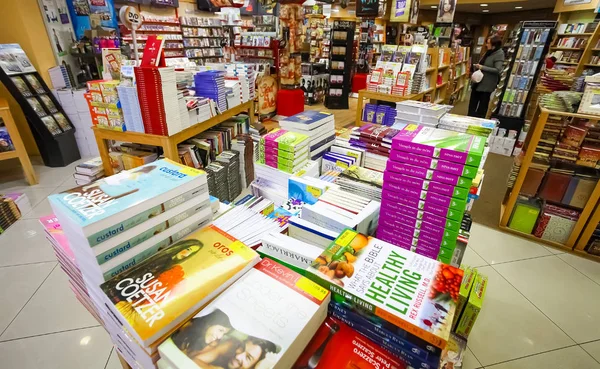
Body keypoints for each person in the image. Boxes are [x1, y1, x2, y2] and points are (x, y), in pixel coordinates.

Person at [468, 36, 505, 118]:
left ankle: (479, 122)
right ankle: (470, 118)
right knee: (472, 104)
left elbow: (498, 70)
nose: (486, 45)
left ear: (494, 45)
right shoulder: (488, 52)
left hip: (487, 84)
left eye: (488, 43)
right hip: (478, 82)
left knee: (482, 105)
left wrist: (482, 67)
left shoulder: (499, 54)